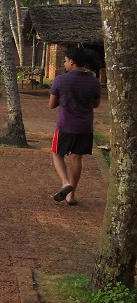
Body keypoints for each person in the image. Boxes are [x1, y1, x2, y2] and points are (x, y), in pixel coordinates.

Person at [49, 47, 101, 206]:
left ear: (71, 62)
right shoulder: (94, 81)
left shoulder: (60, 80)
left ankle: (65, 183)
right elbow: (96, 104)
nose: (64, 64)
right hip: (85, 127)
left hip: (65, 126)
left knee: (57, 153)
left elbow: (51, 104)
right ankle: (71, 196)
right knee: (76, 158)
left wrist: (63, 100)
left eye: (64, 61)